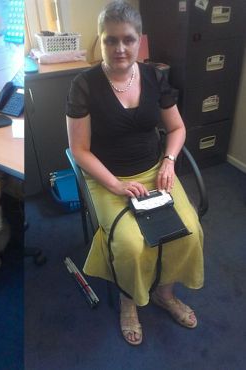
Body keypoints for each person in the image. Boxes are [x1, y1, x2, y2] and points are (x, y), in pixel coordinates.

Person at [66, 1, 204, 346]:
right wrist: (115, 184)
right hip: (107, 179)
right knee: (130, 244)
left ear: (139, 40)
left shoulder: (155, 76)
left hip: (156, 171)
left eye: (127, 39)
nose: (120, 48)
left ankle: (164, 293)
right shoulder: (83, 85)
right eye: (110, 40)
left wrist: (170, 161)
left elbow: (176, 129)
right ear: (99, 41)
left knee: (188, 231)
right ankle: (129, 302)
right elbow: (79, 150)